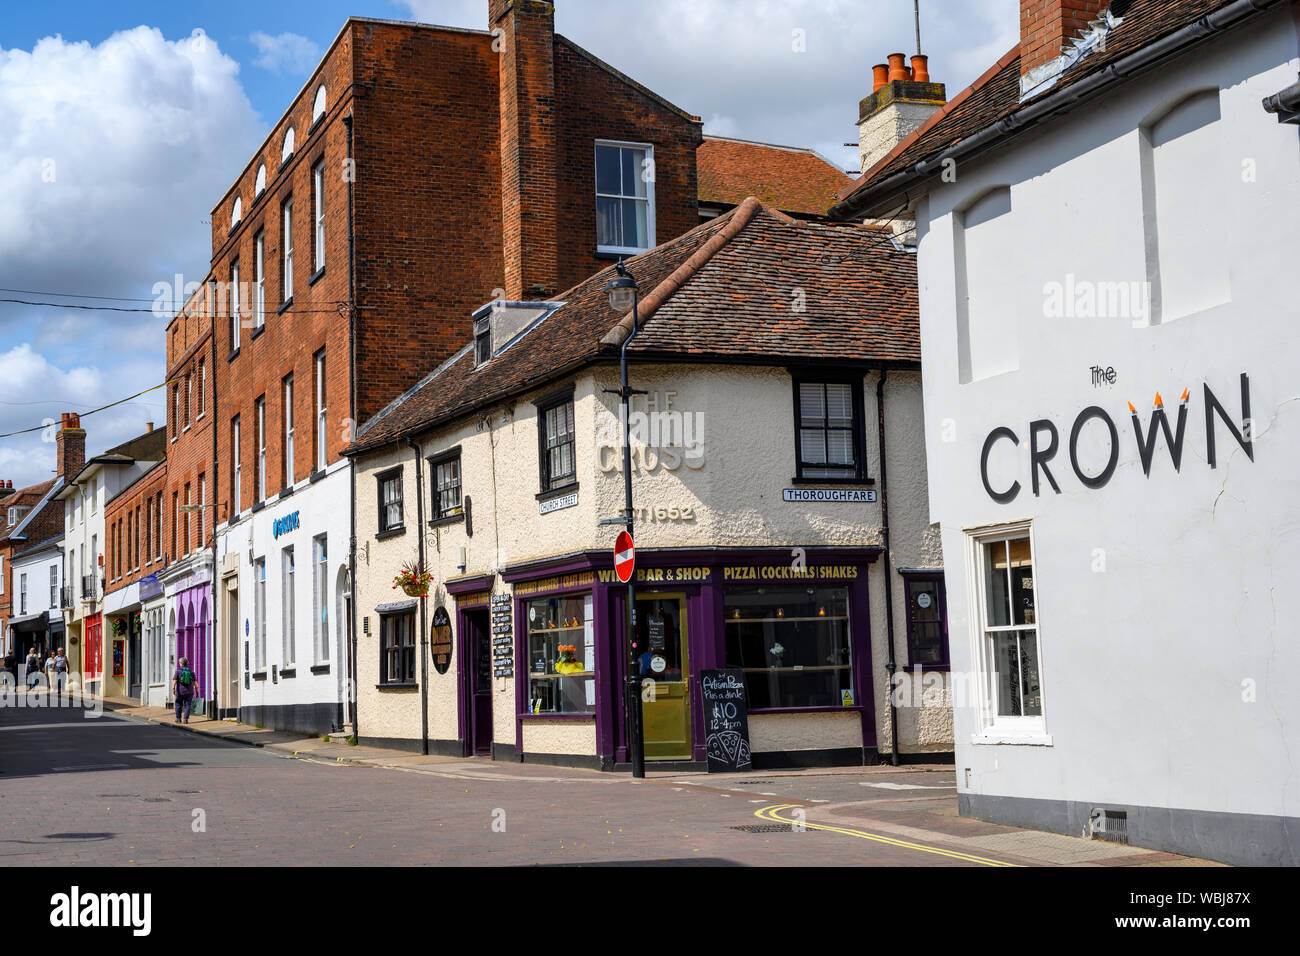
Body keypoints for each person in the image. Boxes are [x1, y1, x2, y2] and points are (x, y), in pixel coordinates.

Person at [171, 656, 197, 723]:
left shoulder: (178, 671)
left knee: (178, 704)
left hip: (180, 691)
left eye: (179, 663)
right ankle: (185, 719)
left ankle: (178, 718)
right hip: (189, 692)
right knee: (187, 705)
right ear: (187, 664)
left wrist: (173, 688)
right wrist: (197, 690)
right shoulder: (191, 671)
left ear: (181, 663)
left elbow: (174, 681)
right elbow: (195, 682)